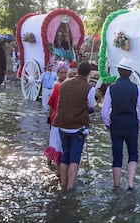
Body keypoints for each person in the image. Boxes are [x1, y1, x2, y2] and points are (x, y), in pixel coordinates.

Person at [101, 58, 140, 190]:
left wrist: (108, 123)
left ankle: (116, 184)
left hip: (115, 125)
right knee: (133, 153)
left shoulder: (111, 89)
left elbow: (104, 111)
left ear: (119, 71)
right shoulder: (136, 88)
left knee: (117, 155)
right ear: (131, 73)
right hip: (131, 124)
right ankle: (131, 183)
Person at [54, 61, 96, 190]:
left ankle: (63, 184)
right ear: (88, 73)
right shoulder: (89, 88)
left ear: (77, 71)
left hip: (62, 125)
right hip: (77, 127)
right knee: (74, 159)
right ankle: (70, 188)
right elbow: (91, 106)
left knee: (65, 155)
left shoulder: (64, 84)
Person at [44, 64, 69, 173]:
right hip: (56, 117)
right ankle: (52, 163)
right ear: (58, 74)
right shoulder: (57, 85)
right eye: (61, 73)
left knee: (55, 141)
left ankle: (51, 162)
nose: (63, 75)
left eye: (65, 73)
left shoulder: (66, 85)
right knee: (56, 142)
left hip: (61, 118)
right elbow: (52, 103)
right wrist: (49, 117)